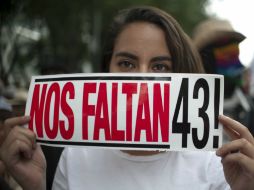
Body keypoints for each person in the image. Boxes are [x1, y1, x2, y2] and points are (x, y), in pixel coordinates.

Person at [1, 6, 254, 190]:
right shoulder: (75, 155)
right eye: (127, 63)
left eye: (160, 67)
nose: (141, 79)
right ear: (106, 70)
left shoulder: (215, 165)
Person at [192, 18, 254, 136]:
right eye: (226, 55)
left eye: (235, 52)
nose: (237, 64)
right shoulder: (186, 107)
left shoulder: (248, 106)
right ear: (204, 59)